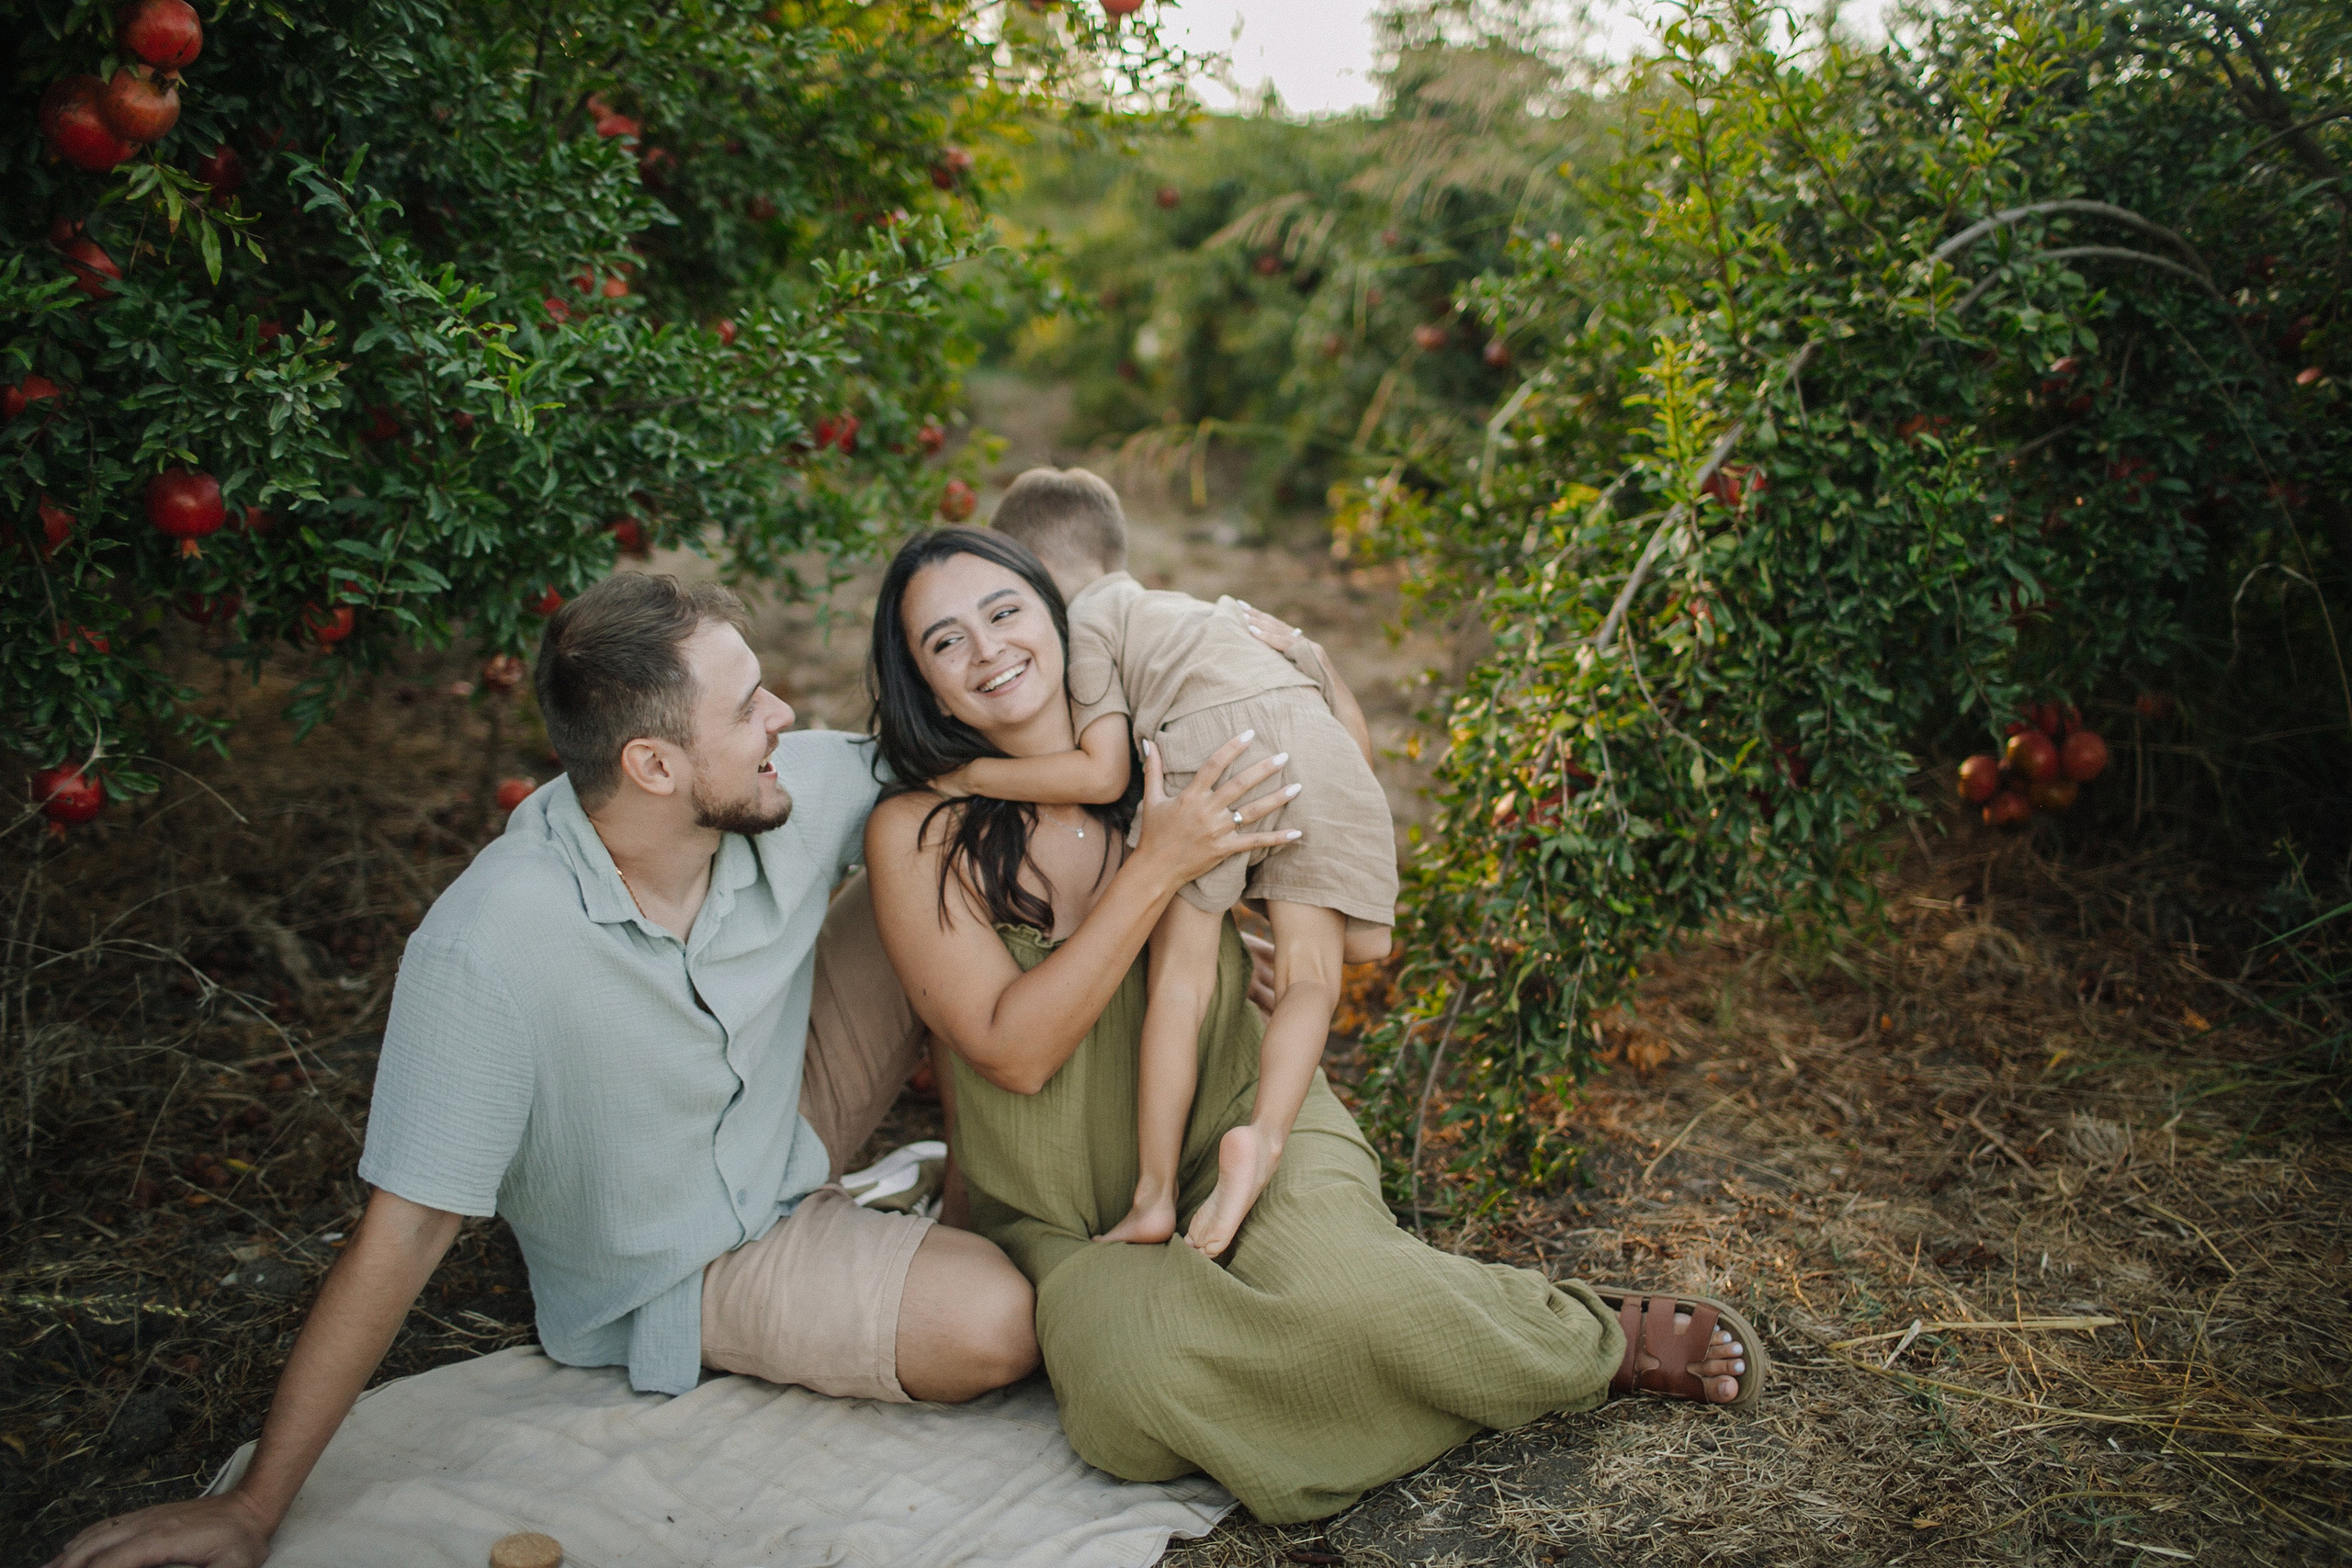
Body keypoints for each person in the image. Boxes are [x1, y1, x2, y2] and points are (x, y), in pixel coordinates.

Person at [44, 573, 1120, 1568]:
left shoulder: (783, 791)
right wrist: (254, 1509)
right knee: (993, 1324)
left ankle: (1016, 1189)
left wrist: (1256, 868)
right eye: (747, 708)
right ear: (653, 766)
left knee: (929, 843)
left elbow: (978, 757)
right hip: (684, 1262)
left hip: (785, 1124)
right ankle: (918, 1253)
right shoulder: (491, 946)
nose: (784, 717)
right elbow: (406, 1229)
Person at [861, 526, 1767, 1525]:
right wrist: (1160, 865)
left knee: (1357, 1293)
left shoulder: (1162, 745)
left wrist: (1313, 678)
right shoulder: (919, 830)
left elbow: (1323, 819)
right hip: (1058, 1211)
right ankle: (1413, 1350)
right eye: (944, 642)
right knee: (1129, 1394)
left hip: (1238, 1116)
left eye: (1003, 613)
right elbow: (1014, 1054)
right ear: (923, 688)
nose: (986, 650)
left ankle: (1585, 1338)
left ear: (1057, 620)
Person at [935, 468, 1396, 1256]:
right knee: (1318, 973)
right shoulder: (1208, 614)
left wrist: (967, 774)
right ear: (1118, 546)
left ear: (1031, 576)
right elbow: (1348, 747)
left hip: (1211, 740)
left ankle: (1152, 1194)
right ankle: (1268, 1137)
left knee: (1179, 984)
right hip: (1311, 736)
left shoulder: (1085, 623)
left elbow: (1103, 772)